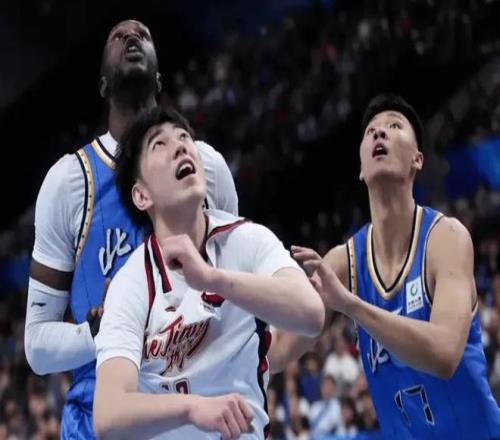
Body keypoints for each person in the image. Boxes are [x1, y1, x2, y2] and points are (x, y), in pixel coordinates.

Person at [24, 19, 238, 439]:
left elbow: (238, 295)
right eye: (117, 37)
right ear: (103, 85)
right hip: (101, 415)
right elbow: (37, 347)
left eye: (143, 34)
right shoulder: (71, 181)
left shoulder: (205, 167)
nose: (131, 37)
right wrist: (100, 332)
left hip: (192, 403)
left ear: (158, 77)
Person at [274, 94, 500, 439]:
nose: (380, 133)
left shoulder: (446, 239)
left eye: (394, 126)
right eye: (371, 131)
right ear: (361, 168)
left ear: (417, 159)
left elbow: (444, 355)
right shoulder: (344, 262)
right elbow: (277, 352)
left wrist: (351, 306)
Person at [93, 106, 325, 439]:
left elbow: (312, 314)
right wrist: (193, 408)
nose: (180, 146)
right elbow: (108, 414)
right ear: (141, 195)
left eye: (184, 137)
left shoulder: (247, 239)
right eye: (160, 144)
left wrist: (211, 278)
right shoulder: (130, 284)